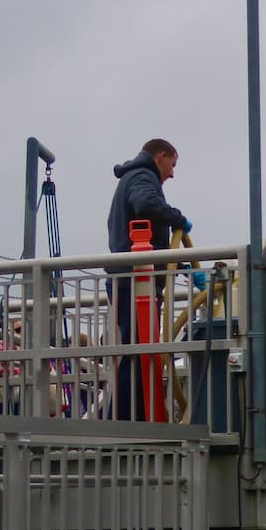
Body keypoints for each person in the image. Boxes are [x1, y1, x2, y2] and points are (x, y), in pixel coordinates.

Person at [105, 138, 192, 420]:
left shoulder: (133, 177)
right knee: (140, 352)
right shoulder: (144, 176)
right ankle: (125, 422)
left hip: (133, 278)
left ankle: (132, 417)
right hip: (135, 281)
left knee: (141, 351)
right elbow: (145, 204)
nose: (172, 173)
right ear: (161, 156)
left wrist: (182, 266)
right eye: (172, 164)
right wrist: (177, 218)